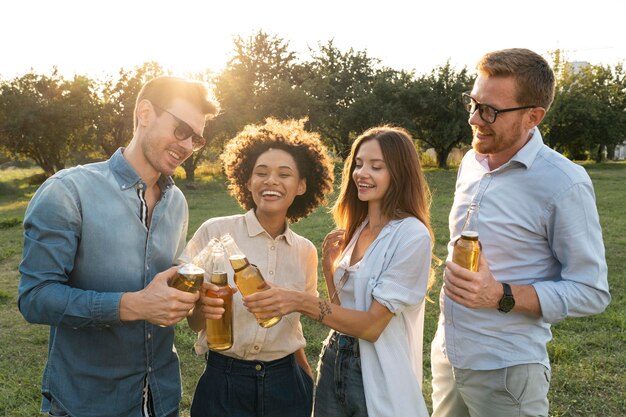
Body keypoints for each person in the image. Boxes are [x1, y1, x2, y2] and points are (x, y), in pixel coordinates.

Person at [18, 76, 219, 417]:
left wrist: (192, 297)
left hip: (162, 399)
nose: (186, 145)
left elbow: (162, 289)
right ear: (144, 113)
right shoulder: (68, 192)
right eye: (180, 129)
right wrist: (133, 305)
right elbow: (35, 298)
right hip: (88, 403)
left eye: (196, 138)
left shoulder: (177, 203)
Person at [431, 48, 611, 417]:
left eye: (491, 111)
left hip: (507, 373)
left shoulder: (564, 183)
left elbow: (591, 291)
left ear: (533, 116)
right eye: (473, 103)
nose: (475, 119)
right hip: (449, 358)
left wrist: (502, 295)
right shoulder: (470, 162)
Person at [244, 126, 435, 417]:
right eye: (358, 164)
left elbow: (371, 327)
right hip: (335, 357)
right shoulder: (357, 230)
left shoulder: (411, 235)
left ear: (399, 172)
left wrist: (297, 301)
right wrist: (329, 268)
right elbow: (341, 313)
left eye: (376, 166)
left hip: (376, 370)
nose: (362, 173)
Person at [184, 118, 334, 417]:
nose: (271, 181)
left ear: (302, 185)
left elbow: (295, 325)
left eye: (284, 174)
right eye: (261, 173)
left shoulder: (304, 250)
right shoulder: (214, 232)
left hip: (286, 384)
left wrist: (305, 380)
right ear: (248, 181)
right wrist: (203, 307)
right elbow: (194, 322)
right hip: (223, 384)